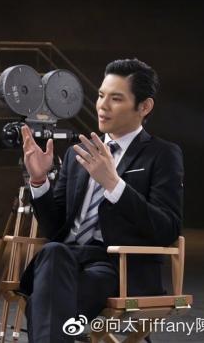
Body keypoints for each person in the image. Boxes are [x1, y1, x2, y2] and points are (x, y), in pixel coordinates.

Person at [19, 58, 184, 342]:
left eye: (116, 98)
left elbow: (167, 229)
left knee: (45, 300)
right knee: (54, 251)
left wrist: (114, 185)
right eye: (100, 95)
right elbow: (55, 228)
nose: (102, 106)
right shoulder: (77, 155)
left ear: (144, 107)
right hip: (65, 259)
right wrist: (39, 181)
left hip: (117, 266)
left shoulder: (162, 155)